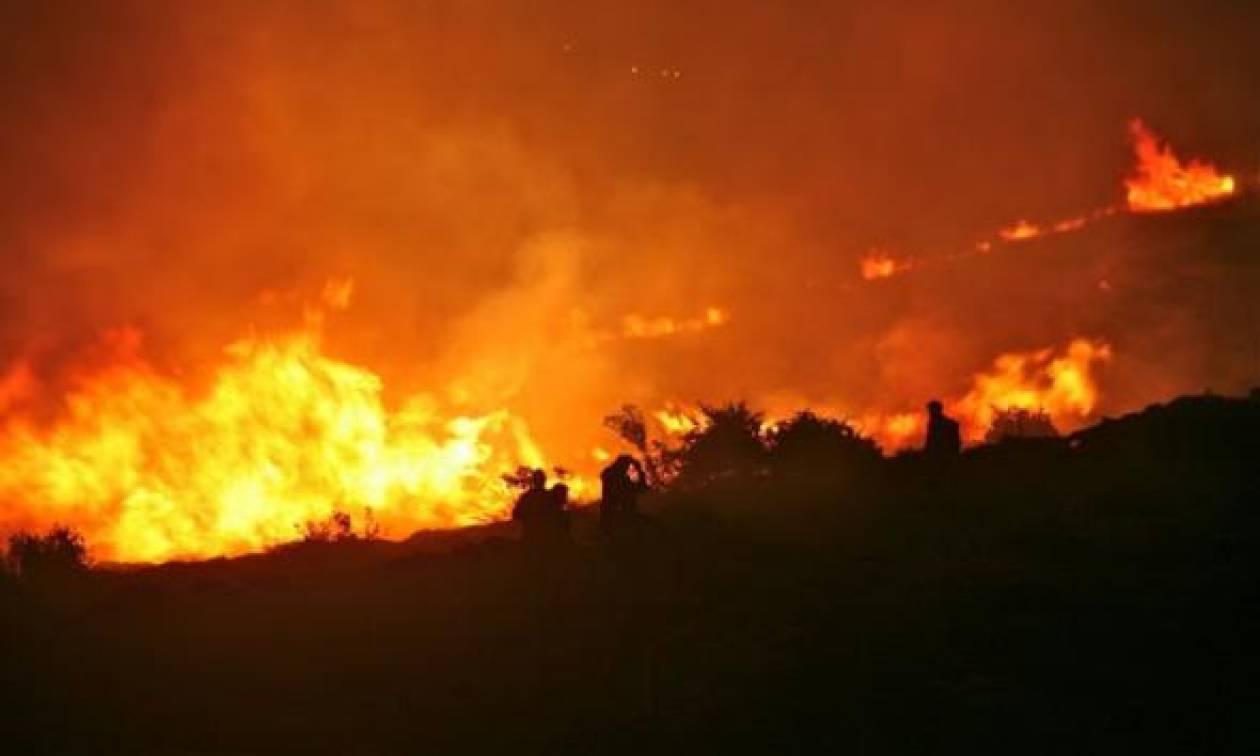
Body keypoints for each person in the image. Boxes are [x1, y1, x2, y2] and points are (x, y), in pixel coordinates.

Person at [599, 454, 648, 535]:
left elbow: (638, 483)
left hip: (617, 494)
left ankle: (609, 529)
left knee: (623, 506)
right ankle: (606, 530)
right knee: (609, 508)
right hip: (612, 495)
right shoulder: (612, 473)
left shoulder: (622, 470)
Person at [512, 469, 552, 549]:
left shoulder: (527, 497)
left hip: (531, 537)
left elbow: (516, 514)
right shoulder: (549, 497)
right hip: (545, 538)